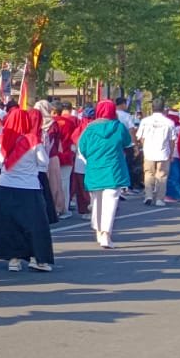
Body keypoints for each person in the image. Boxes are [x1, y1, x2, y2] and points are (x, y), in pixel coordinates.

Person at [0, 106, 54, 272]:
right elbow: (44, 162)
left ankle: (13, 260)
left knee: (9, 224)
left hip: (5, 185)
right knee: (35, 225)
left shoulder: (2, 138)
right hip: (29, 186)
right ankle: (38, 258)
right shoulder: (33, 140)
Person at [77, 99, 133, 248]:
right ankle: (106, 234)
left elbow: (81, 149)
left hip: (94, 170)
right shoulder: (119, 127)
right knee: (111, 202)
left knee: (96, 201)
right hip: (114, 170)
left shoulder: (89, 129)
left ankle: (98, 231)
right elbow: (128, 143)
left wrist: (91, 159)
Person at [135, 102, 178, 206]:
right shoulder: (169, 122)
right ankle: (159, 199)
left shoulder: (145, 121)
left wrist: (145, 146)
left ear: (152, 108)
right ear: (163, 109)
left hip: (149, 152)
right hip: (163, 152)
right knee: (162, 175)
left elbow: (140, 137)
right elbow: (172, 140)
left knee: (148, 174)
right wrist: (171, 153)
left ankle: (148, 195)